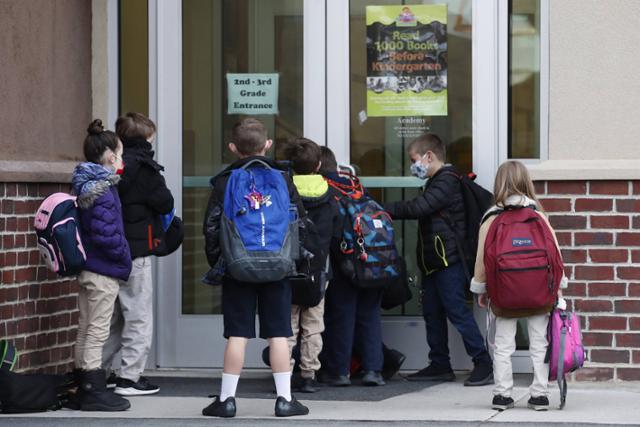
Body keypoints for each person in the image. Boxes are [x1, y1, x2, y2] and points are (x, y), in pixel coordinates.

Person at [201, 118, 309, 418]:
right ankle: (285, 400)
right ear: (268, 145)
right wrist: (293, 260)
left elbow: (211, 228)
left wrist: (221, 263)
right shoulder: (283, 178)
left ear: (233, 148)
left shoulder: (224, 181)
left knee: (238, 333)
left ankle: (227, 400)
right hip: (278, 266)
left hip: (238, 266)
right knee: (278, 333)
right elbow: (299, 222)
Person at [383, 133, 493, 386]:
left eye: (415, 159)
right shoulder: (437, 181)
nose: (414, 165)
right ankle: (440, 364)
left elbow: (419, 208)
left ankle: (483, 362)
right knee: (432, 313)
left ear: (429, 156)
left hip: (448, 261)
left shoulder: (447, 181)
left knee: (457, 312)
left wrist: (381, 209)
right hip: (434, 261)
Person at [471, 160, 567, 411]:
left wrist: (481, 289)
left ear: (499, 183)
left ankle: (502, 395)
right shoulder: (538, 215)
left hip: (504, 294)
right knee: (540, 343)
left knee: (503, 344)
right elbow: (556, 255)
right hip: (539, 293)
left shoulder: (492, 217)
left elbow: (482, 257)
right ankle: (540, 395)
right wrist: (558, 288)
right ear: (527, 182)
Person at [102, 112, 174, 396]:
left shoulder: (110, 165)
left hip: (110, 250)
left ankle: (98, 371)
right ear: (147, 137)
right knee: (139, 315)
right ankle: (130, 377)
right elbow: (164, 201)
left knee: (114, 317)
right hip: (136, 252)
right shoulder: (145, 169)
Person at [71, 119, 132, 411]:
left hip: (87, 268)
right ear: (110, 157)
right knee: (97, 330)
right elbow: (106, 234)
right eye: (120, 155)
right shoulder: (104, 190)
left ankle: (83, 384)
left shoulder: (85, 184)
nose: (121, 161)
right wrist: (123, 255)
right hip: (103, 270)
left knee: (85, 327)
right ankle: (93, 389)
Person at [318, 147, 386, 387]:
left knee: (342, 316)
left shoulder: (325, 190)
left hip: (345, 262)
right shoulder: (356, 187)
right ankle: (373, 370)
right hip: (373, 261)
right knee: (369, 315)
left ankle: (339, 371)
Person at [285, 138, 341, 393]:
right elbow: (337, 232)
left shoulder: (284, 190)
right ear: (319, 165)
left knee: (288, 324)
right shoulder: (330, 195)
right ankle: (309, 375)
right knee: (313, 324)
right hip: (318, 269)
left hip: (287, 267)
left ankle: (283, 372)